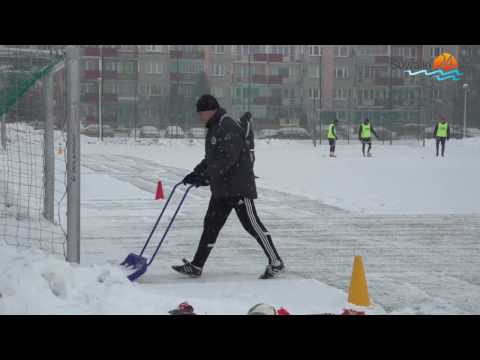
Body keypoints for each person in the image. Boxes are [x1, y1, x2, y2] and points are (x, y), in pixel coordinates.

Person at [172, 94, 285, 279]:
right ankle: (197, 265)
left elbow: (228, 158)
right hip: (222, 189)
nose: (200, 117)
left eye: (201, 113)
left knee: (252, 225)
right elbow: (212, 157)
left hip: (238, 187)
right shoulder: (215, 127)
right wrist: (196, 173)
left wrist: (206, 176)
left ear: (210, 111)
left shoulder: (227, 125)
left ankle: (276, 262)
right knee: (210, 225)